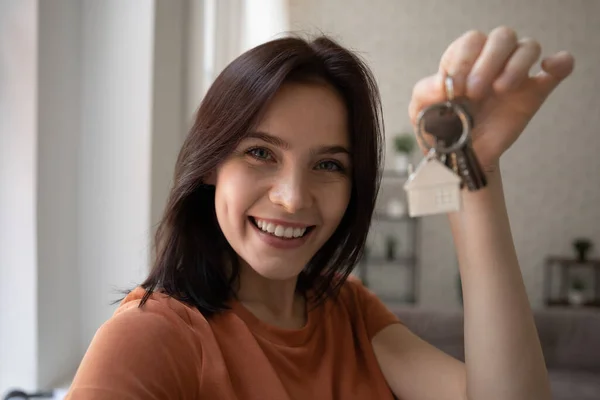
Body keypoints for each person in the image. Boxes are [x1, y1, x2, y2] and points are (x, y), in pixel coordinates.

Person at [65, 26, 574, 400]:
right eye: (260, 153)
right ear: (210, 164)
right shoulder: (150, 337)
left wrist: (475, 170)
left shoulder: (348, 308)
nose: (293, 197)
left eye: (328, 164)